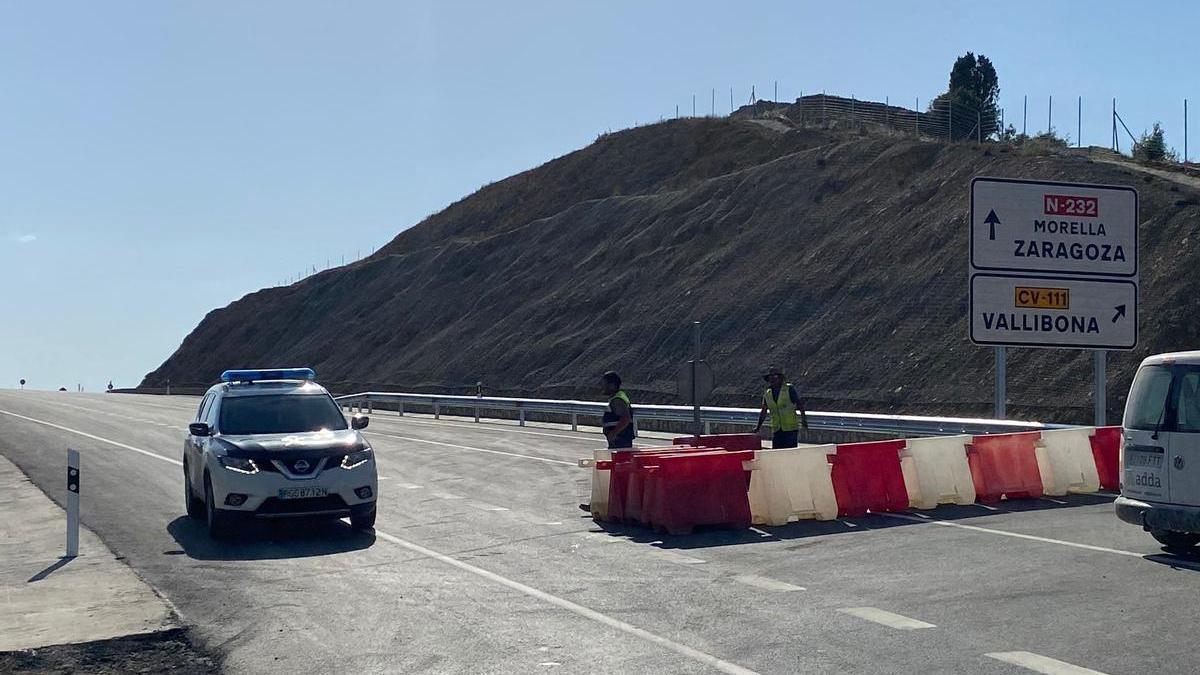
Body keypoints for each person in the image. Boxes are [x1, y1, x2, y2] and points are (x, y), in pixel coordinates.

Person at [753, 367, 808, 448]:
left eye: (775, 376)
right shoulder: (767, 393)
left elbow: (799, 404)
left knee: (790, 453)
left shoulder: (789, 389)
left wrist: (804, 419)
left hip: (790, 429)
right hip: (777, 429)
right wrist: (758, 427)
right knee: (777, 453)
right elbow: (764, 411)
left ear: (780, 378)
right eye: (770, 377)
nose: (772, 379)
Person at [600, 371, 635, 449]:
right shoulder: (617, 397)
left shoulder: (617, 400)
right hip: (620, 440)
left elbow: (625, 418)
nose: (602, 387)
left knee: (621, 460)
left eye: (604, 384)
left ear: (612, 385)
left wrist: (613, 433)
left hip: (620, 440)